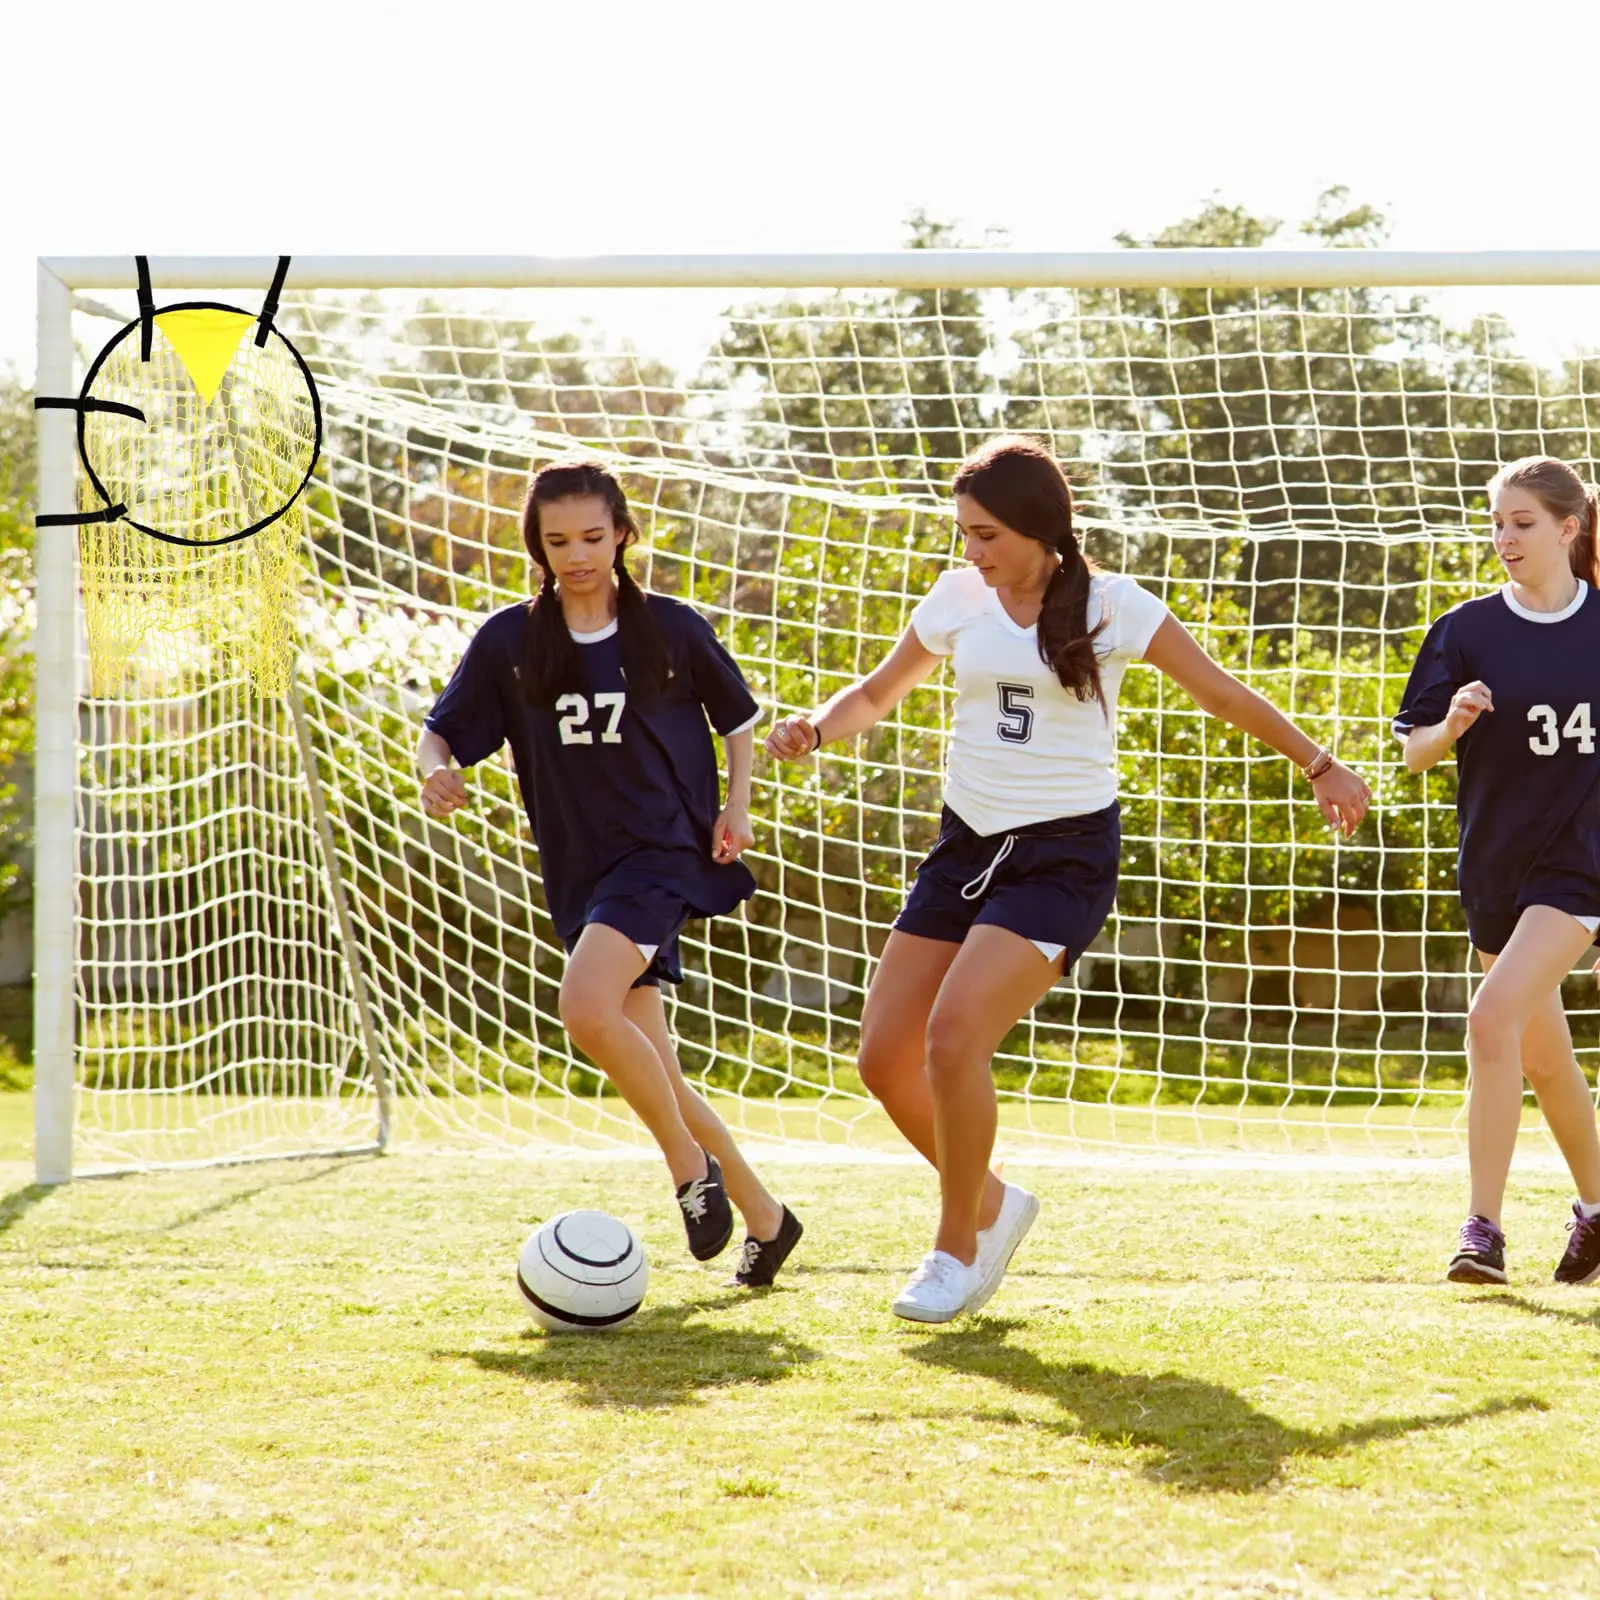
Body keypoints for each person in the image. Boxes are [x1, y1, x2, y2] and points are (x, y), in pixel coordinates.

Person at [766, 436, 1370, 1322]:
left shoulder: (1114, 605)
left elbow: (1223, 693)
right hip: (964, 848)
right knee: (883, 1057)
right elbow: (876, 692)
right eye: (964, 533)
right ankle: (995, 1204)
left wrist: (1321, 764)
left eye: (987, 535)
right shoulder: (958, 598)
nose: (972, 551)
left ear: (1041, 529)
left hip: (1062, 857)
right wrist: (815, 727)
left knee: (952, 1038)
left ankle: (955, 1250)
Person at [419, 459, 802, 1287]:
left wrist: (737, 809)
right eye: (558, 540)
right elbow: (441, 731)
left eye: (593, 536)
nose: (577, 553)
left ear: (622, 533)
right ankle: (768, 1221)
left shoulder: (668, 626)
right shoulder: (511, 640)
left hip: (662, 852)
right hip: (580, 870)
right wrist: (434, 770)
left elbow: (737, 719)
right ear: (539, 545)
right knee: (655, 1064)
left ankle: (688, 1174)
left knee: (585, 1009)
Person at [1394, 455, 1600, 1287]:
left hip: (1580, 870)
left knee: (1488, 1021)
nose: (1505, 539)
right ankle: (1597, 1209)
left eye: (1522, 523)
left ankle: (1481, 1231)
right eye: (1496, 523)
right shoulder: (1467, 629)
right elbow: (1413, 754)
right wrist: (1451, 724)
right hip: (1494, 871)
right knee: (1544, 1060)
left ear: (1567, 527)